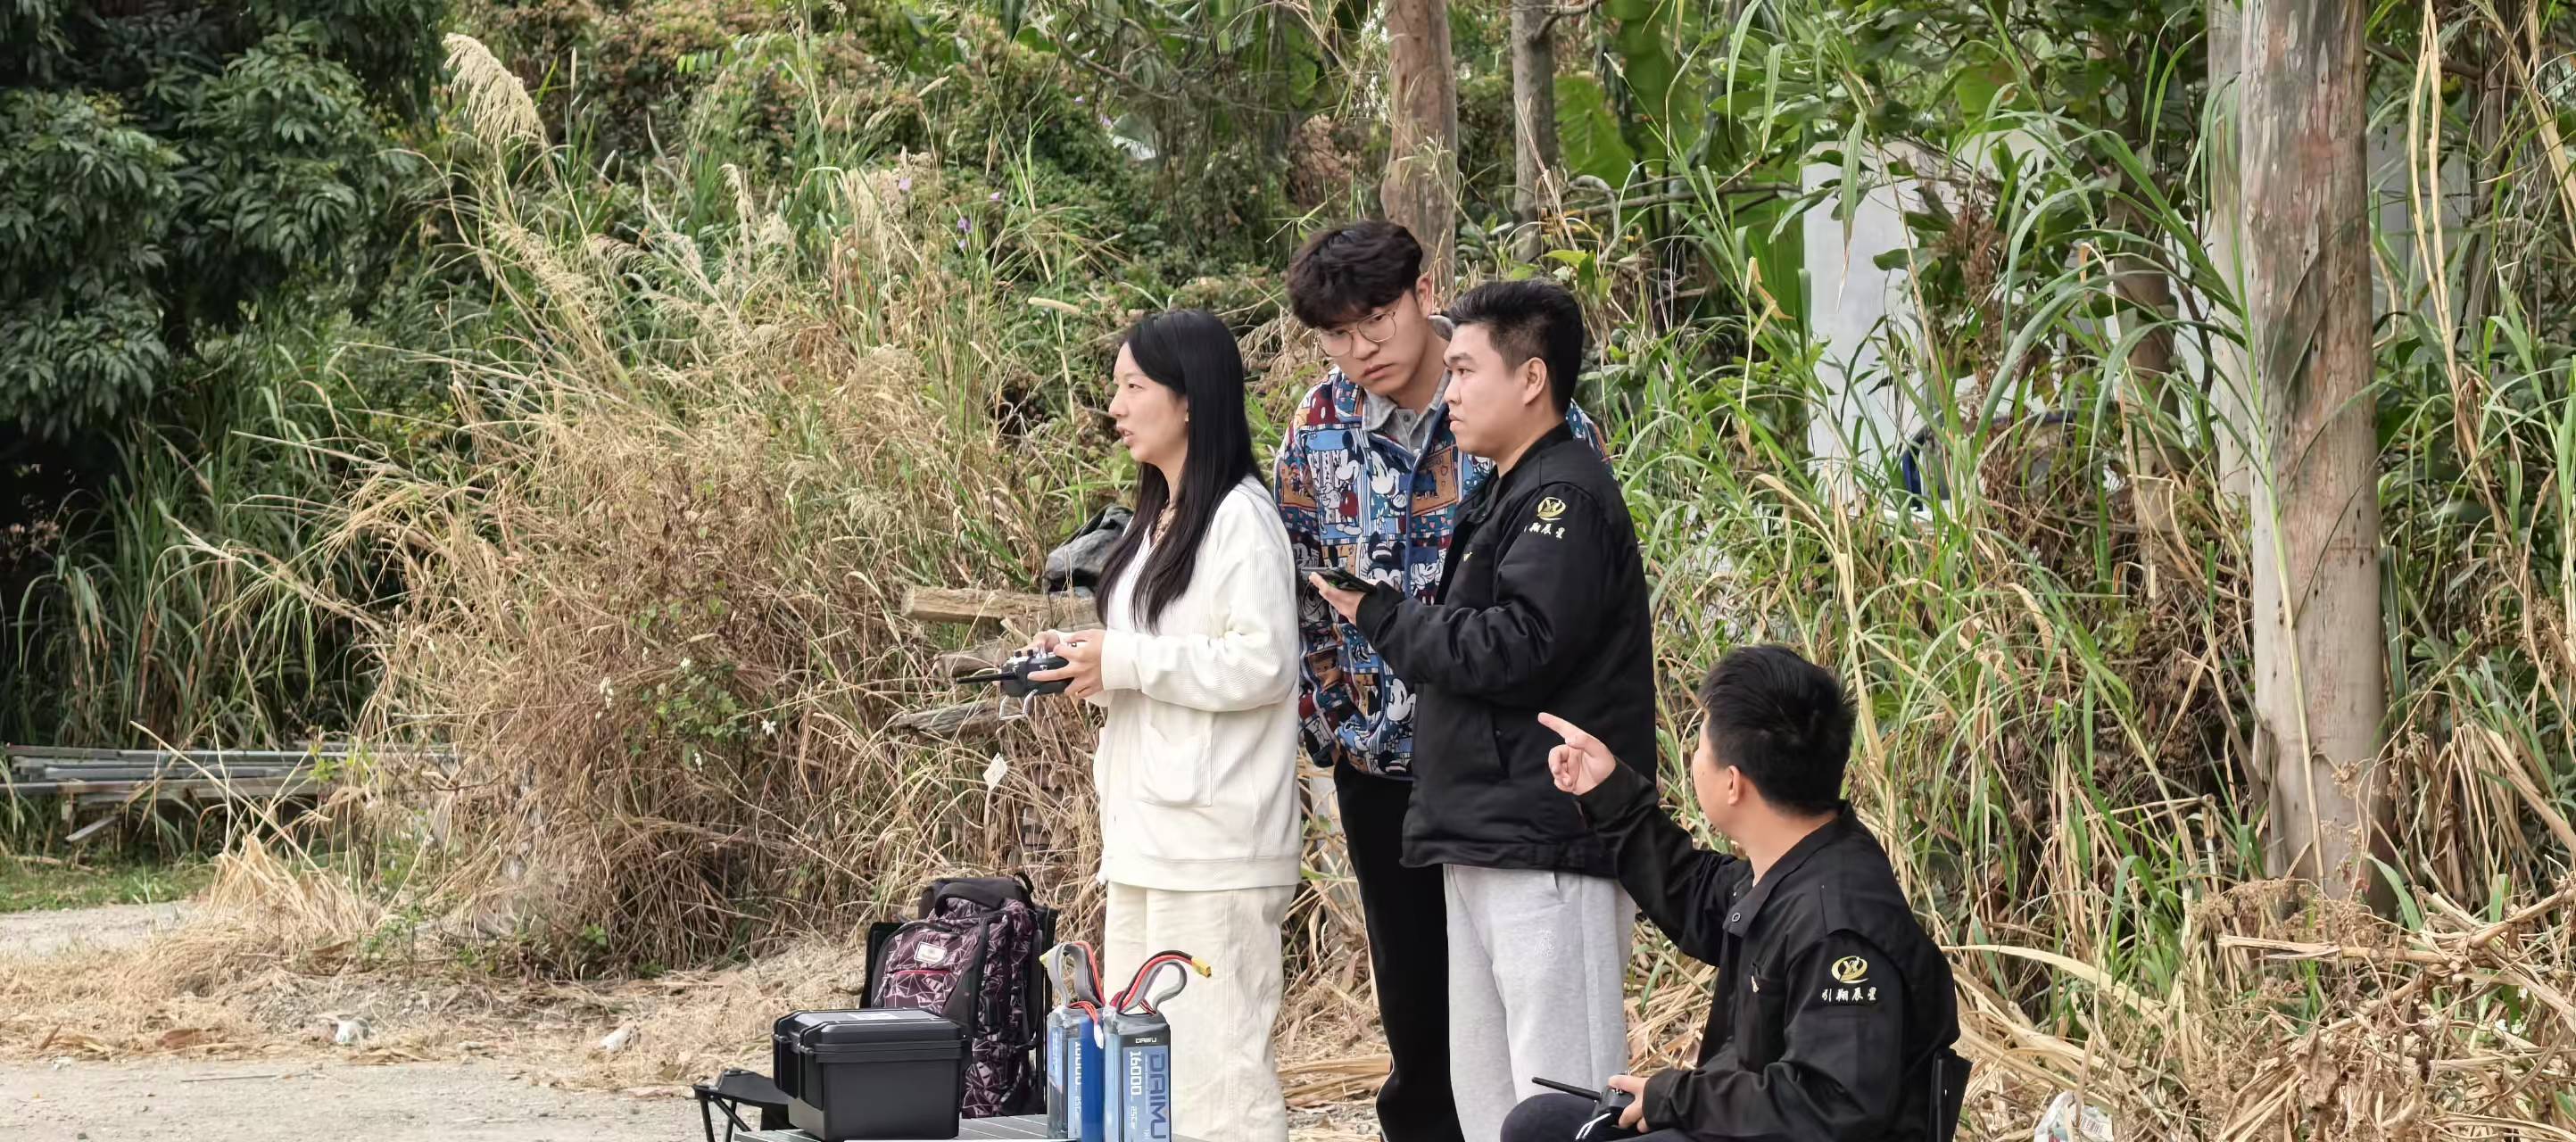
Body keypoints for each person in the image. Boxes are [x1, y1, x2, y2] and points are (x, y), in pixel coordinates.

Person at [1274, 221, 1603, 1142]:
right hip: (1381, 763)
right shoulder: (1318, 424)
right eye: (1335, 334)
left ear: (1424, 293)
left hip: (1507, 767)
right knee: (1418, 1004)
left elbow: (1567, 599)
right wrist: (1336, 725)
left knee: (1522, 1012)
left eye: (1376, 318)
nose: (1360, 348)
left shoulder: (1517, 398)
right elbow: (1298, 585)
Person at [1504, 647, 1969, 1142]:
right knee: (1538, 1125)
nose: (1693, 760)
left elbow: (1832, 1104)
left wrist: (1675, 1097)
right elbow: (1695, 892)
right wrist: (1608, 793)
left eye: (1701, 747)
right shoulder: (1800, 861)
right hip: (1748, 1121)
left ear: (1733, 784)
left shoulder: (1838, 927)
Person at [1031, 309, 1301, 1142]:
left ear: (1190, 399)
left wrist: (1125, 659)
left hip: (1216, 847)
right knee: (1147, 1080)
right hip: (1147, 836)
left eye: (1132, 386)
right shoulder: (1159, 519)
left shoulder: (1239, 518)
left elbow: (1262, 663)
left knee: (1218, 1082)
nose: (1115, 406)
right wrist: (1087, 663)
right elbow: (1154, 659)